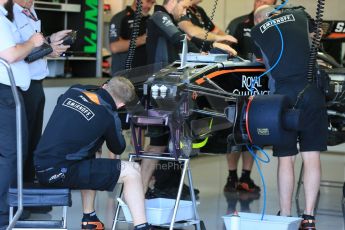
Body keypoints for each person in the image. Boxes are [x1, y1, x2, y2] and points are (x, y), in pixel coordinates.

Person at [142, 0, 237, 198]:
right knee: (158, 143)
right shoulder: (159, 16)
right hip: (162, 90)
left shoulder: (167, 18)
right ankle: (140, 191)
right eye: (184, 8)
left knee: (175, 140)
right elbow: (181, 39)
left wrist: (208, 49)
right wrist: (211, 47)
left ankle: (169, 187)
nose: (185, 12)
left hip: (174, 88)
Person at [34, 77, 151, 230]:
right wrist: (115, 126)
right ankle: (142, 227)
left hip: (41, 164)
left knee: (92, 151)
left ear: (104, 85)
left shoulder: (74, 90)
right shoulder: (109, 115)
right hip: (59, 172)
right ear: (122, 104)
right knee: (132, 171)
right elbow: (118, 148)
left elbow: (63, 105)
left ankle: (89, 218)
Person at [251, 5, 328, 230]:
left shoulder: (257, 32)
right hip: (311, 92)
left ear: (258, 19)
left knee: (286, 158)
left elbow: (263, 62)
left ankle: (285, 214)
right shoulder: (300, 17)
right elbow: (316, 36)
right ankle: (309, 218)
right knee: (311, 157)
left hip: (283, 97)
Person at [12, 0, 71, 191]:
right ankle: (16, 194)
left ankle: (28, 190)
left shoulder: (31, 11)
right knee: (20, 142)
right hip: (21, 86)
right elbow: (17, 52)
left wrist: (51, 41)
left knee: (33, 142)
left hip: (36, 83)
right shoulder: (9, 14)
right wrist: (49, 49)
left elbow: (34, 45)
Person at [223, 0, 276, 194]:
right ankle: (231, 177)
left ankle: (246, 176)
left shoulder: (276, 26)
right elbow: (225, 50)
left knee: (253, 133)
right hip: (235, 87)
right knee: (233, 133)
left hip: (261, 88)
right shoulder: (239, 23)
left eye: (267, 1)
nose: (261, 2)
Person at [0, 0, 44, 228]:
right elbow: (10, 54)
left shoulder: (5, 16)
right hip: (5, 91)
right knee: (11, 153)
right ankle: (3, 212)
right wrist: (32, 42)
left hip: (15, 90)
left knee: (15, 151)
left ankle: (13, 206)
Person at [109, 0, 156, 75]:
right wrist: (143, 39)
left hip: (145, 72)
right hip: (122, 73)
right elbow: (115, 47)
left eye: (152, 3)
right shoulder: (120, 17)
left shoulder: (151, 19)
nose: (149, 6)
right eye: (147, 1)